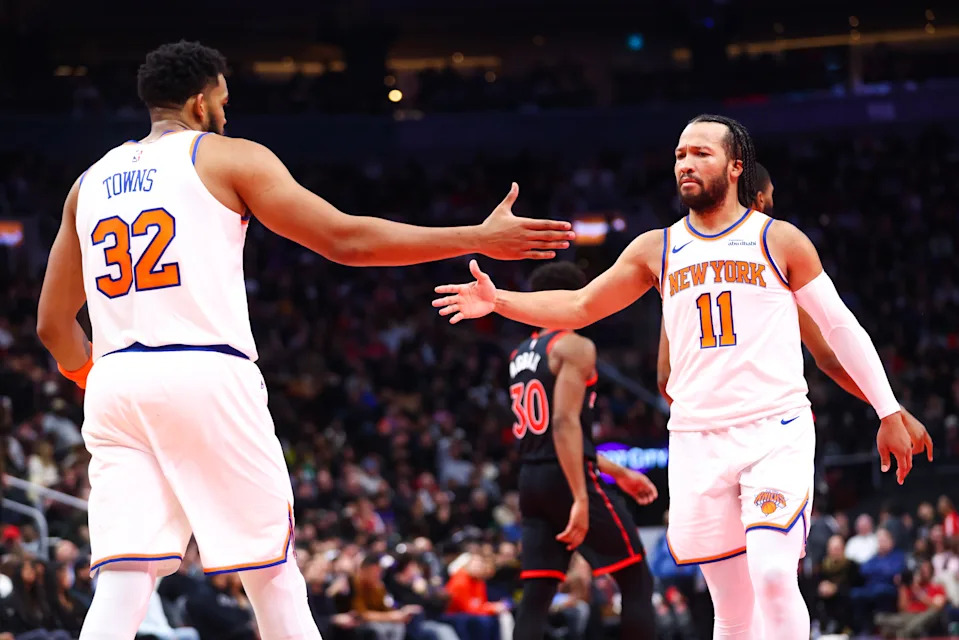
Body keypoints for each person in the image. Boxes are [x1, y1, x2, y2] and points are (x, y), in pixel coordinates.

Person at [35, 40, 574, 640]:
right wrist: (476, 235)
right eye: (223, 100)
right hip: (204, 370)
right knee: (271, 571)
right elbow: (346, 240)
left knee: (123, 579)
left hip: (114, 382)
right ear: (198, 100)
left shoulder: (88, 183)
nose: (225, 112)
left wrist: (95, 377)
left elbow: (53, 326)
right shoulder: (225, 157)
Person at [432, 113, 933, 639]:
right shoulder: (657, 248)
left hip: (773, 428)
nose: (686, 163)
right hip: (696, 438)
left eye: (701, 153)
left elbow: (838, 325)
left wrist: (887, 409)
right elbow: (580, 305)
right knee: (732, 610)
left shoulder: (780, 240)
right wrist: (499, 300)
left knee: (773, 575)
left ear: (737, 167)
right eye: (679, 155)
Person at [656, 163, 933, 450]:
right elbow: (830, 359)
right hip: (769, 433)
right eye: (771, 196)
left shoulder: (680, 270)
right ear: (761, 200)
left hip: (701, 438)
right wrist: (893, 410)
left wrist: (704, 427)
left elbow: (665, 378)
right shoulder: (774, 259)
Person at [506, 261, 658, 639]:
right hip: (565, 476)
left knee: (539, 591)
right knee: (635, 574)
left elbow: (555, 436)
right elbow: (563, 424)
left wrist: (619, 473)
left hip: (530, 478)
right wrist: (580, 496)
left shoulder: (519, 354)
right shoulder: (573, 346)